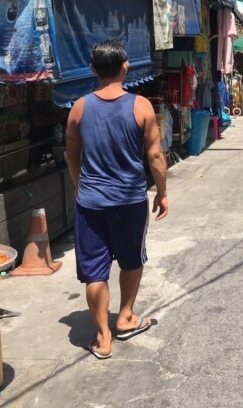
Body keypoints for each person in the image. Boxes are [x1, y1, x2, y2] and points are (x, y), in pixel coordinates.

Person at [66, 40, 169, 360]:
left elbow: (71, 155)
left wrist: (79, 186)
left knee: (94, 271)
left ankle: (103, 337)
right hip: (129, 201)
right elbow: (154, 155)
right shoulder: (141, 106)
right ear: (125, 67)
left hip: (91, 202)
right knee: (131, 259)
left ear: (92, 69)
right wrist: (163, 193)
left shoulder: (79, 107)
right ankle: (125, 316)